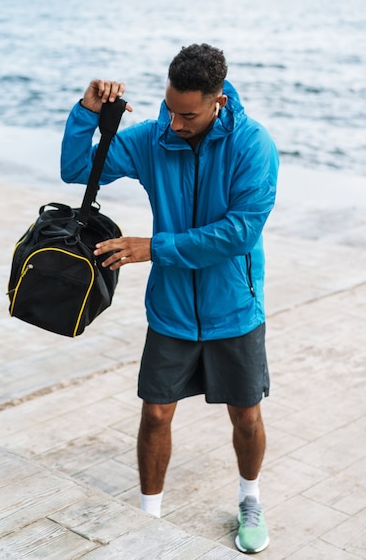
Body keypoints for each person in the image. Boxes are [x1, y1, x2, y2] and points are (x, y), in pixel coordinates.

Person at [61, 43, 279, 554]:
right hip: (172, 309)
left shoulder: (252, 145)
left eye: (188, 114)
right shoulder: (155, 138)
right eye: (170, 109)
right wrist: (86, 112)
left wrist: (152, 248)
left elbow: (238, 234)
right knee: (156, 414)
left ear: (217, 100)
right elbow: (78, 170)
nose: (176, 123)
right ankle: (148, 515)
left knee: (246, 416)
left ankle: (251, 499)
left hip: (235, 308)